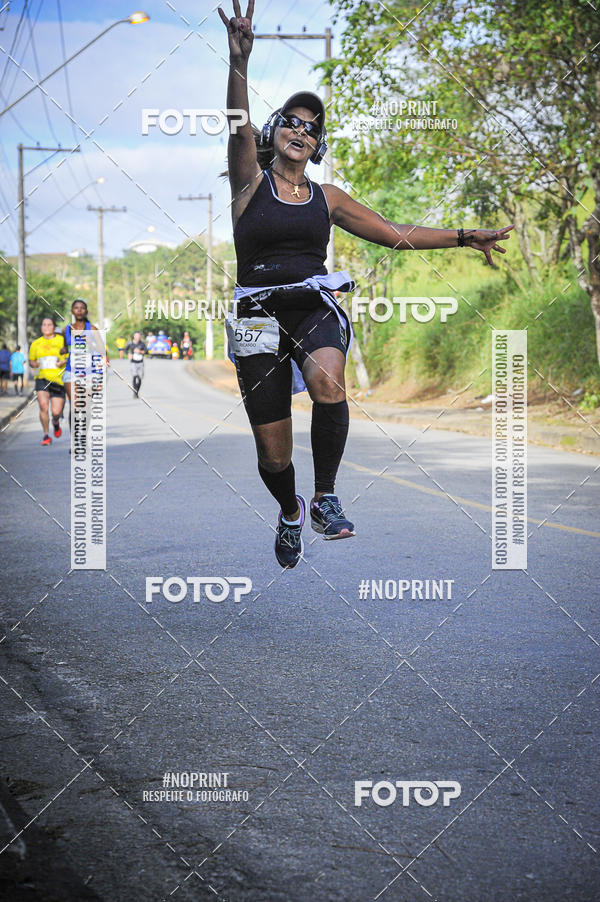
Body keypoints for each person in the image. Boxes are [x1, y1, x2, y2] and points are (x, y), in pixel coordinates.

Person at [218, 0, 513, 569]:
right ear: (275, 130)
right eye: (293, 122)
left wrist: (461, 236)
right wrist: (239, 60)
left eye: (313, 127)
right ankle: (290, 510)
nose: (302, 131)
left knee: (329, 379)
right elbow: (235, 124)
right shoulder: (248, 182)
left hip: (312, 306)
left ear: (318, 143)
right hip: (256, 317)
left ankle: (326, 498)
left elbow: (395, 233)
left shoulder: (328, 199)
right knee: (273, 455)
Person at [62, 299, 100, 438]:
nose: (79, 310)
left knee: (86, 408)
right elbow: (65, 348)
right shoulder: (66, 329)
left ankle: (83, 436)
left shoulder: (93, 329)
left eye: (82, 308)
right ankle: (74, 439)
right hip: (71, 372)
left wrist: (91, 343)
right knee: (75, 406)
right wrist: (62, 351)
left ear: (86, 311)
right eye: (76, 308)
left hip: (89, 373)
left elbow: (103, 351)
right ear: (72, 311)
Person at [28, 318, 68, 445]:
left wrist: (63, 361)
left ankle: (55, 422)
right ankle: (46, 435)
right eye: (44, 324)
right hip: (42, 379)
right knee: (43, 406)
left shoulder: (61, 341)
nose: (46, 327)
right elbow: (31, 360)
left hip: (58, 380)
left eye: (49, 325)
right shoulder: (36, 343)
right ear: (41, 327)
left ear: (54, 327)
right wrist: (34, 364)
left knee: (56, 412)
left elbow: (69, 356)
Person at [127, 331, 146, 397]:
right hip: (133, 362)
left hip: (140, 362)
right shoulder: (130, 344)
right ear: (134, 336)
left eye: (139, 336)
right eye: (136, 336)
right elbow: (125, 350)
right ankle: (135, 392)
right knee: (135, 376)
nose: (138, 337)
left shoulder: (142, 344)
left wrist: (140, 351)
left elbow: (146, 351)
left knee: (140, 378)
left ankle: (137, 390)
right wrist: (128, 354)